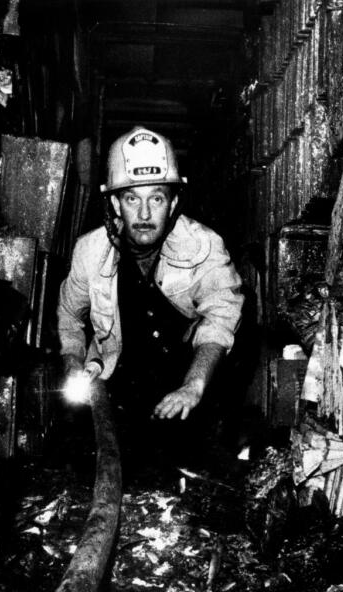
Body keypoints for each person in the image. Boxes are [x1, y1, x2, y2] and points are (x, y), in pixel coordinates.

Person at [56, 126, 244, 459]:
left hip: (187, 397)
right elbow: (70, 316)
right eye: (132, 199)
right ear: (115, 203)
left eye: (156, 198)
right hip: (119, 397)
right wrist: (73, 361)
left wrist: (194, 385)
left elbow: (222, 315)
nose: (144, 215)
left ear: (172, 203)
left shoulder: (204, 245)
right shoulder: (89, 251)